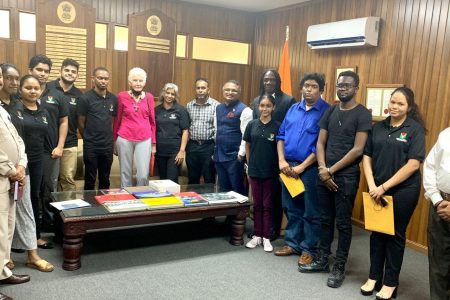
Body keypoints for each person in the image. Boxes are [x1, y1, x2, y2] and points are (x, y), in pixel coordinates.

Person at [300, 71, 372, 289]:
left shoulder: (362, 114)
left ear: (356, 88)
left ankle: (339, 266)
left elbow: (358, 149)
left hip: (346, 177)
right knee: (324, 219)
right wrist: (323, 168)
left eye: (347, 86)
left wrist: (330, 170)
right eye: (340, 85)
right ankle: (322, 259)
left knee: (343, 223)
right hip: (324, 173)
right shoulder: (331, 111)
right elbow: (320, 143)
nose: (343, 89)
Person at [360, 87, 426, 299]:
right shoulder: (378, 127)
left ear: (409, 107)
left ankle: (390, 283)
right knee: (377, 234)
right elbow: (367, 156)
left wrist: (384, 187)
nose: (395, 107)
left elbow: (413, 164)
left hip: (403, 191)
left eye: (400, 104)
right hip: (376, 189)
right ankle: (373, 277)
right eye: (393, 102)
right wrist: (371, 185)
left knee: (394, 235)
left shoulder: (414, 130)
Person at [276, 73, 329, 267]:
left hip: (309, 169)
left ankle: (309, 249)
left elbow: (320, 145)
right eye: (306, 85)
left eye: (314, 86)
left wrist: (302, 166)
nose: (309, 89)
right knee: (291, 207)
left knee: (310, 211)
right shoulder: (292, 109)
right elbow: (280, 135)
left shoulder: (326, 111)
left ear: (321, 90)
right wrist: (282, 161)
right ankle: (292, 243)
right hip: (287, 166)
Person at [11, 75, 55, 272]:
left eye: (36, 88)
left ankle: (32, 240)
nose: (32, 91)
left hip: (38, 160)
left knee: (34, 199)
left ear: (41, 90)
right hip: (19, 163)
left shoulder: (44, 111)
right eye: (28, 87)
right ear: (20, 90)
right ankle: (18, 249)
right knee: (18, 203)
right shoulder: (14, 110)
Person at [250, 69, 296, 240]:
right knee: (260, 197)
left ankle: (273, 229)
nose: (268, 83)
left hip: (280, 154)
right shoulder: (256, 101)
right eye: (266, 80)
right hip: (260, 154)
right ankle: (260, 229)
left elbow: (290, 128)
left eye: (272, 80)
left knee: (275, 196)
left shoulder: (288, 100)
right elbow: (255, 126)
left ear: (278, 81)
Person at [28, 54, 68, 236]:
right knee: (31, 191)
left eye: (46, 71)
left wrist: (60, 146)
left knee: (49, 190)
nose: (43, 74)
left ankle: (48, 225)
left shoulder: (57, 95)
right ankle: (31, 228)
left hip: (51, 150)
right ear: (30, 70)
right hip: (29, 152)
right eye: (39, 70)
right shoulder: (24, 93)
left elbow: (64, 122)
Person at [0, 66, 31, 291]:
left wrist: (21, 165)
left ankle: (2, 270)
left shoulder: (2, 109)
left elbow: (17, 141)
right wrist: (12, 170)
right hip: (3, 175)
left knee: (6, 228)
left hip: (10, 179)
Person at [243, 94, 280, 252]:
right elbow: (248, 146)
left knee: (267, 205)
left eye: (268, 106)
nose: (264, 109)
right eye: (262, 106)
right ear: (258, 107)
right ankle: (257, 235)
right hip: (254, 170)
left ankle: (266, 237)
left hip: (271, 171)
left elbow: (280, 150)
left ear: (273, 108)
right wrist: (250, 165)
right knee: (257, 204)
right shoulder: (252, 125)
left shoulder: (278, 126)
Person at [113, 68, 156, 187]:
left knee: (143, 174)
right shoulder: (121, 96)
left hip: (144, 138)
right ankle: (126, 198)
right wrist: (114, 140)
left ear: (144, 83)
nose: (138, 83)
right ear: (129, 82)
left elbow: (152, 121)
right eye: (135, 80)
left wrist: (153, 143)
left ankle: (142, 197)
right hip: (124, 137)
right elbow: (117, 119)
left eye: (140, 80)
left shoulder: (149, 97)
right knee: (125, 172)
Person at [78, 67, 117, 190]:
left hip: (107, 146)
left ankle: (103, 207)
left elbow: (113, 121)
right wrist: (89, 138)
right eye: (100, 78)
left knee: (105, 179)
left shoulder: (113, 99)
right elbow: (80, 123)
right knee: (90, 180)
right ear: (93, 79)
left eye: (106, 79)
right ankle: (89, 208)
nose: (103, 81)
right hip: (91, 146)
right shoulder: (85, 98)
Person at [47, 58, 82, 192]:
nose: (70, 73)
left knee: (67, 178)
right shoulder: (48, 88)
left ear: (77, 75)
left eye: (73, 72)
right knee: (50, 179)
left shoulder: (79, 95)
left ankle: (68, 211)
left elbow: (81, 120)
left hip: (70, 142)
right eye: (67, 70)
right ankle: (48, 211)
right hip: (48, 142)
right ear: (60, 71)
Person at [423, 128, 450, 300]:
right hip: (440, 205)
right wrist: (437, 199)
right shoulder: (446, 134)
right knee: (438, 265)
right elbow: (430, 166)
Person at [214, 80, 252, 194]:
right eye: (227, 90)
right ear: (223, 91)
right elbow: (217, 129)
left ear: (239, 92)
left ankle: (239, 212)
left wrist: (241, 154)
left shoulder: (245, 110)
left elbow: (246, 135)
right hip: (219, 155)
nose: (229, 92)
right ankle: (227, 212)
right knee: (223, 190)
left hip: (234, 157)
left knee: (236, 189)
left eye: (233, 90)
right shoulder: (218, 107)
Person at [186, 78, 220, 184]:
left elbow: (218, 128)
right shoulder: (189, 105)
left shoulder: (217, 106)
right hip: (192, 145)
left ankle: (208, 199)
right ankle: (192, 200)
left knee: (209, 177)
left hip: (208, 146)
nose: (200, 90)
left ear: (208, 90)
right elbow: (187, 127)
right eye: (198, 88)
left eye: (203, 88)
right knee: (192, 177)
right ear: (195, 90)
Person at [154, 83, 189, 183]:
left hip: (175, 152)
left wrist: (182, 151)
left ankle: (174, 199)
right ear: (163, 94)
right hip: (159, 151)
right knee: (162, 180)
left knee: (172, 180)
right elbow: (153, 129)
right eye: (167, 93)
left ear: (175, 96)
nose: (169, 96)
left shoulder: (181, 110)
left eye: (172, 94)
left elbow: (185, 131)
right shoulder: (156, 110)